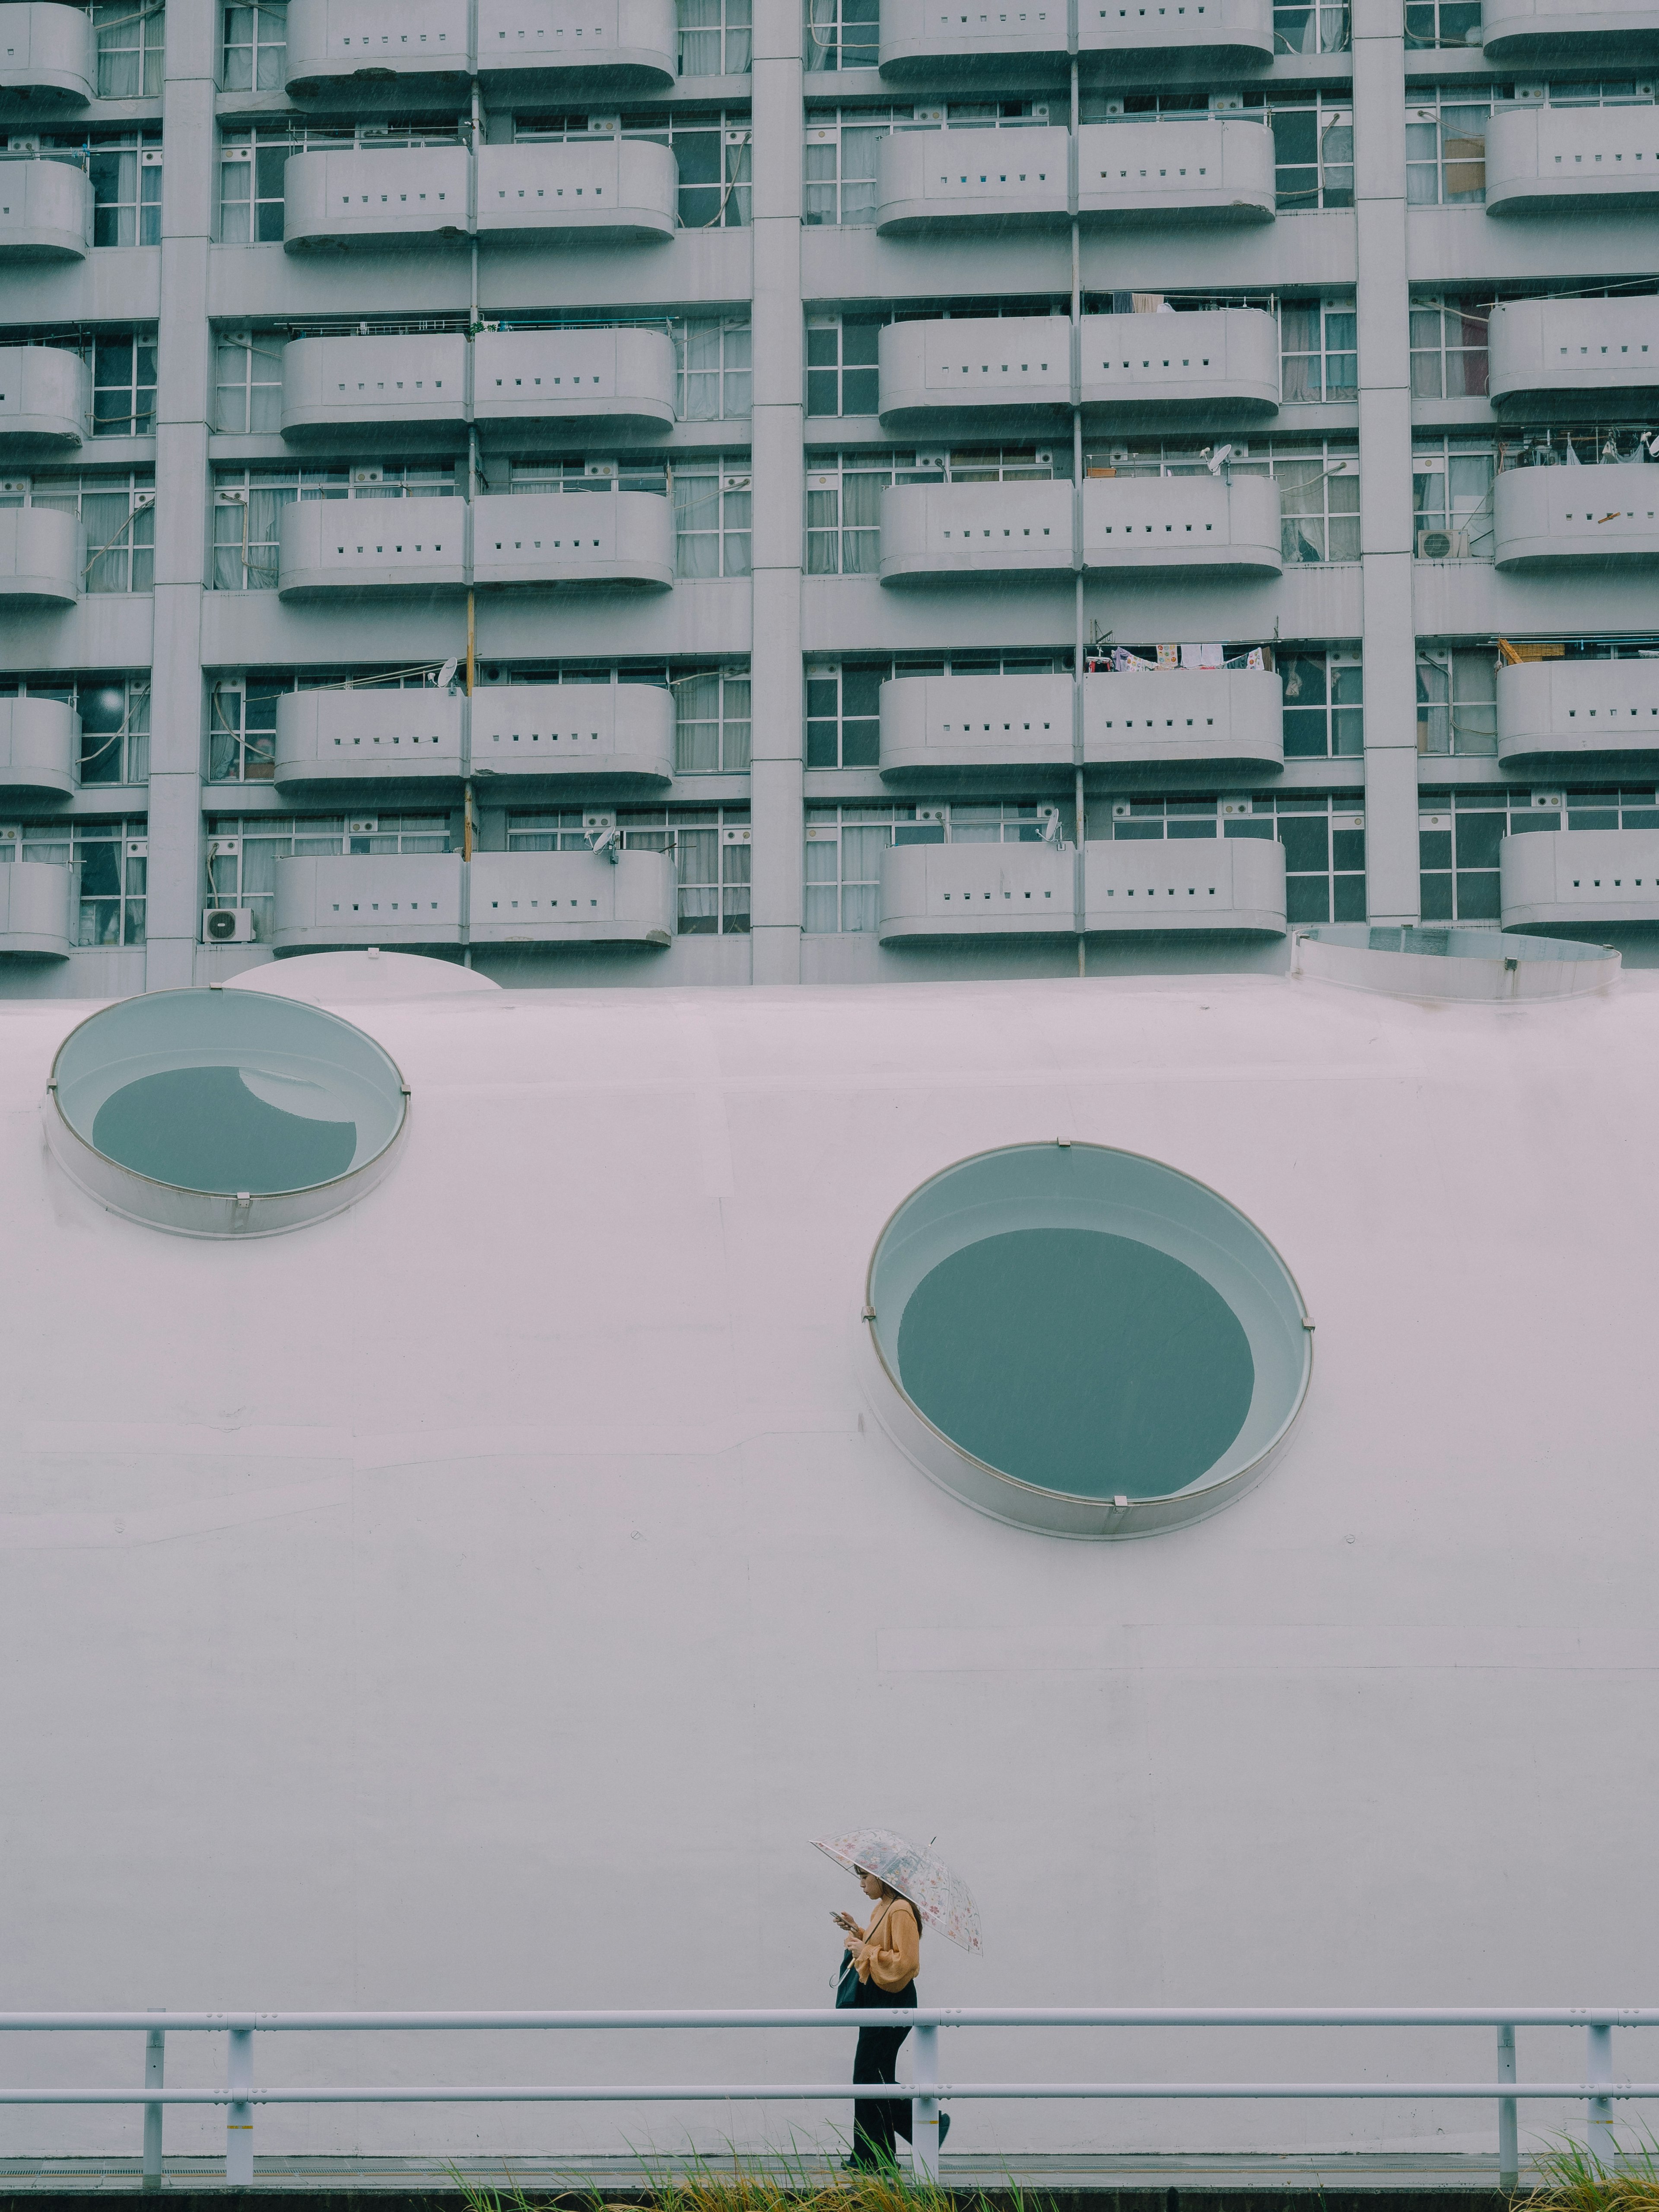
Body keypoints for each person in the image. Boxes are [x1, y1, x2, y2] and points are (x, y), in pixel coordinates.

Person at [834, 1868, 950, 2170]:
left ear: (883, 1879)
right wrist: (858, 1931)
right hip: (879, 1995)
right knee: (875, 2075)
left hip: (892, 1997)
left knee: (867, 2076)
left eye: (865, 1877)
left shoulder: (901, 1909)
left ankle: (874, 2155)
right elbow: (883, 1946)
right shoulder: (883, 1907)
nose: (861, 1884)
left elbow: (907, 1962)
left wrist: (865, 1950)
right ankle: (880, 2156)